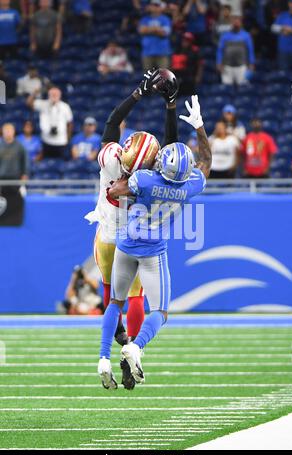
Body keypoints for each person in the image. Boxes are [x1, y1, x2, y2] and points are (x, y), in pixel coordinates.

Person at [98, 95, 211, 390]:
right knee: (159, 311)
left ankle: (101, 358)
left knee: (115, 301)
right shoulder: (190, 186)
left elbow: (116, 190)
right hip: (152, 251)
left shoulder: (144, 180)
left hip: (125, 243)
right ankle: (136, 347)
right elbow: (207, 161)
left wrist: (130, 169)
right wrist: (199, 127)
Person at [86, 68, 179, 389]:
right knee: (136, 299)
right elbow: (172, 144)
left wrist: (138, 93)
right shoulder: (150, 175)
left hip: (104, 239)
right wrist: (170, 104)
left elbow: (113, 122)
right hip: (131, 240)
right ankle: (132, 352)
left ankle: (109, 349)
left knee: (111, 299)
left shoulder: (111, 159)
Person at [27, 86, 73, 159]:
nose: (54, 96)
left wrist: (68, 138)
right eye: (52, 94)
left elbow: (70, 123)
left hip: (61, 141)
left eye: (56, 95)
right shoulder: (43, 104)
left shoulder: (65, 107)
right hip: (46, 140)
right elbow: (29, 103)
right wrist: (35, 93)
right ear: (49, 95)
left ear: (60, 96)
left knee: (60, 165)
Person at [216, 14, 255, 85]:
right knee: (226, 89)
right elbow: (220, 50)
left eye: (238, 21)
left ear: (241, 23)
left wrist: (251, 63)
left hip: (242, 66)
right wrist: (219, 63)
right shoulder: (224, 36)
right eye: (234, 21)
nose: (236, 23)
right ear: (231, 23)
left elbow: (250, 50)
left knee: (243, 89)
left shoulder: (246, 36)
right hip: (227, 67)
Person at [139, 0, 172, 71]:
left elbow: (164, 33)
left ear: (160, 8)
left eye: (157, 6)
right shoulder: (145, 19)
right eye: (153, 5)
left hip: (162, 52)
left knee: (164, 77)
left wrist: (148, 30)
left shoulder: (165, 19)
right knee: (148, 77)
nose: (154, 7)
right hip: (147, 52)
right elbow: (141, 30)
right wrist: (157, 29)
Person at [271, 0, 292, 78]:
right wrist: (282, 28)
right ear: (288, 4)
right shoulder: (282, 15)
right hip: (282, 50)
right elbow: (273, 28)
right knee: (282, 75)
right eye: (291, 3)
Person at [171, 31, 203, 95]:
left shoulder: (195, 51)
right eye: (184, 40)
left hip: (189, 78)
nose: (185, 42)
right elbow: (172, 65)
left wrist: (198, 76)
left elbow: (200, 64)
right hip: (178, 78)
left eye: (187, 40)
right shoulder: (177, 50)